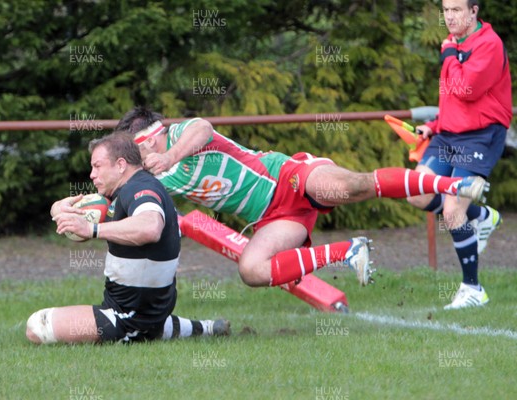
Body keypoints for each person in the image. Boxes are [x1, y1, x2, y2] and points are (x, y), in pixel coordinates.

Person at [115, 107, 489, 292]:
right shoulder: (156, 177)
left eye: (137, 149)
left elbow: (203, 128)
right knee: (252, 271)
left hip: (288, 177)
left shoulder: (181, 135)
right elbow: (123, 198)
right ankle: (348, 250)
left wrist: (171, 155)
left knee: (351, 188)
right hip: (273, 218)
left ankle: (451, 187)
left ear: (152, 135)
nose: (138, 159)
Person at [26, 133, 229, 345]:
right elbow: (82, 222)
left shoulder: (140, 189)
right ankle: (203, 328)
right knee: (145, 321)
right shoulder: (129, 189)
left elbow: (150, 227)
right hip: (149, 311)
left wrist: (92, 229)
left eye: (97, 166)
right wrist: (58, 209)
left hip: (126, 316)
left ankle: (145, 331)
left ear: (121, 165)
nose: (92, 175)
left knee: (37, 327)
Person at [406, 0, 511, 310]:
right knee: (416, 192)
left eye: (456, 10)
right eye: (446, 10)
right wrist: (432, 126)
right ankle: (482, 217)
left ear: (474, 11)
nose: (449, 16)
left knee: (452, 210)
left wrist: (449, 54)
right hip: (449, 134)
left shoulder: (488, 44)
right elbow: (454, 99)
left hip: (481, 136)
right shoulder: (455, 44)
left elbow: (466, 90)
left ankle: (473, 288)